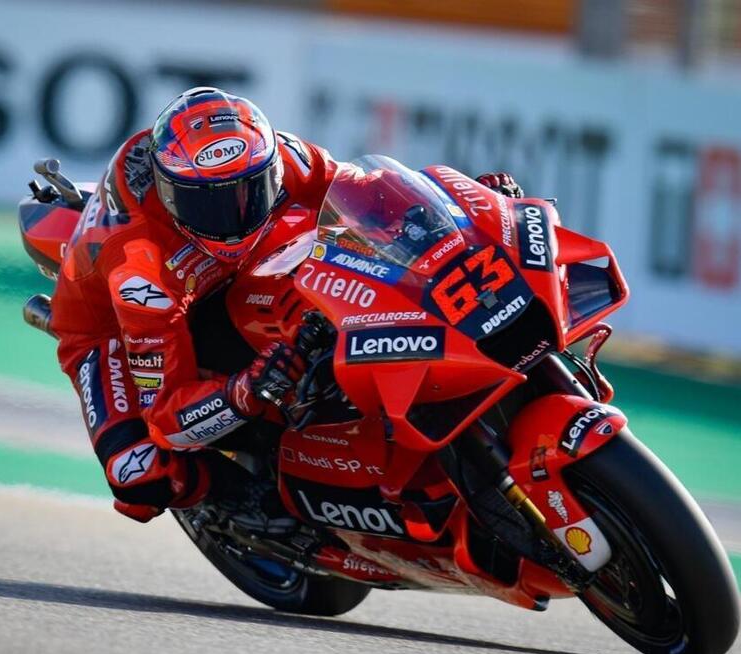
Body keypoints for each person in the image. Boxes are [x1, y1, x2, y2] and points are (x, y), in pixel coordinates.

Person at [49, 86, 522, 526]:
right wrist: (245, 390)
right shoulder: (139, 269)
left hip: (237, 272)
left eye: (250, 192)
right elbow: (166, 419)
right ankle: (249, 503)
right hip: (116, 328)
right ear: (169, 194)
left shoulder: (285, 156)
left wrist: (462, 208)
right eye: (208, 206)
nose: (234, 217)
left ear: (271, 167)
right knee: (138, 475)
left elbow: (372, 192)